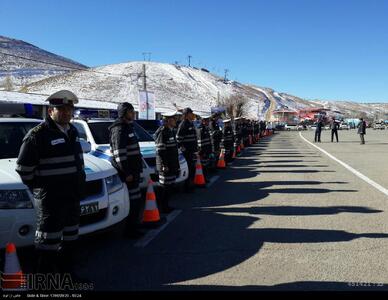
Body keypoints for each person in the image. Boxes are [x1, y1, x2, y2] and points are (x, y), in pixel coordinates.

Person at [15, 90, 87, 281]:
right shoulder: (37, 135)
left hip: (72, 198)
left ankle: (67, 277)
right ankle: (45, 284)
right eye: (60, 109)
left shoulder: (72, 131)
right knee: (48, 244)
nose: (65, 113)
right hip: (51, 202)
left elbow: (77, 163)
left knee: (71, 240)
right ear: (50, 112)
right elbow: (24, 170)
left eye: (69, 109)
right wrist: (43, 188)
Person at [109, 102, 144, 239]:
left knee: (136, 200)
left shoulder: (128, 127)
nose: (133, 113)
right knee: (132, 201)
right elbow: (119, 154)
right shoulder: (119, 129)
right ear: (124, 113)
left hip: (134, 171)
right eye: (131, 111)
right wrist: (127, 172)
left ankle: (134, 227)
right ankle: (130, 230)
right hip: (128, 173)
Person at [154, 111, 180, 213]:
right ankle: (162, 207)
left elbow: (173, 149)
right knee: (164, 187)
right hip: (165, 165)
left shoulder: (171, 131)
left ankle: (166, 206)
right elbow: (160, 151)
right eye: (174, 119)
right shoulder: (162, 132)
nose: (176, 121)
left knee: (170, 186)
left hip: (172, 164)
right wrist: (164, 165)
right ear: (169, 120)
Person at [176, 107, 198, 192]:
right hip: (187, 152)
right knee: (188, 169)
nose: (192, 114)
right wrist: (183, 148)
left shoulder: (191, 123)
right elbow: (178, 139)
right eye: (191, 113)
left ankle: (190, 185)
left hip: (192, 151)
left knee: (192, 168)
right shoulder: (183, 124)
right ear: (187, 115)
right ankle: (187, 187)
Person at [197, 115, 214, 180]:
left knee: (206, 164)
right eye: (207, 121)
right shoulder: (200, 129)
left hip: (207, 150)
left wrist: (210, 150)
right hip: (203, 151)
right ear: (203, 121)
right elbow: (199, 142)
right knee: (203, 165)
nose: (208, 122)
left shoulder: (206, 128)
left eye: (208, 121)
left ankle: (205, 178)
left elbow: (209, 140)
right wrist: (201, 152)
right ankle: (203, 178)